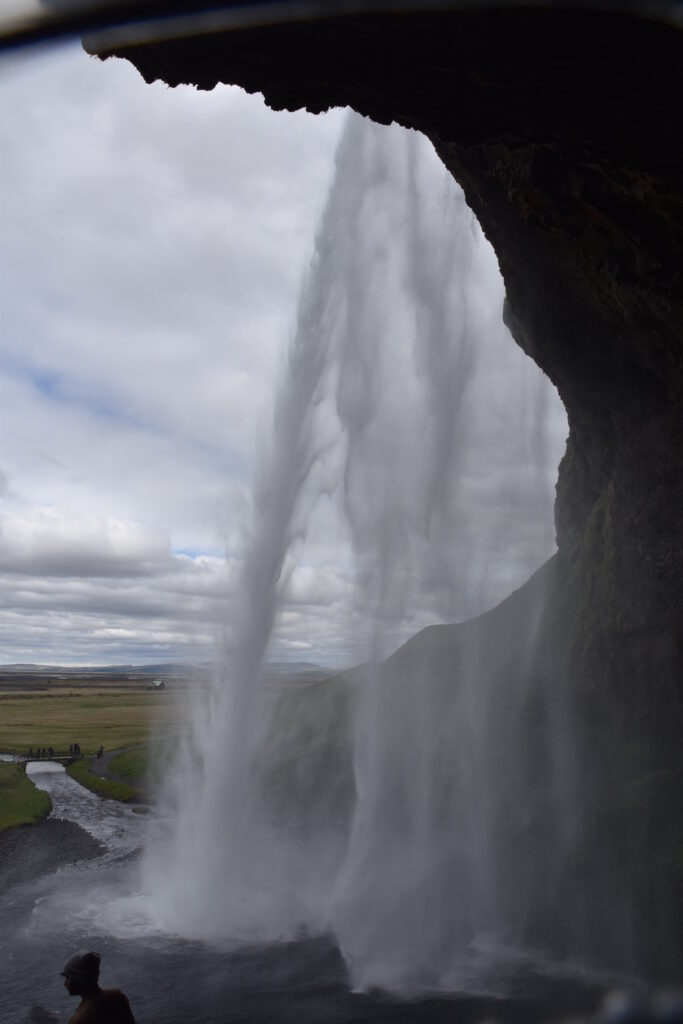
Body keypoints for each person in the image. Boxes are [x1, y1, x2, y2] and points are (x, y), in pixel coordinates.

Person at [61, 951, 136, 1024]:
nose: (65, 983)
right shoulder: (118, 997)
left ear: (80, 980)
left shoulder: (80, 1019)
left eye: (69, 978)